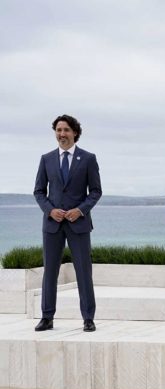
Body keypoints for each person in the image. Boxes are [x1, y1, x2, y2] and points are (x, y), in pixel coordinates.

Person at [33, 114, 102, 332]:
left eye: (66, 130)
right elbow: (38, 191)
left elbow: (96, 192)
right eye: (58, 130)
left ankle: (88, 318)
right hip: (52, 225)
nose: (62, 134)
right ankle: (47, 317)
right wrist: (50, 210)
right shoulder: (46, 159)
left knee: (83, 271)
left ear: (75, 133)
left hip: (78, 224)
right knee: (50, 271)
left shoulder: (88, 159)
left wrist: (80, 210)